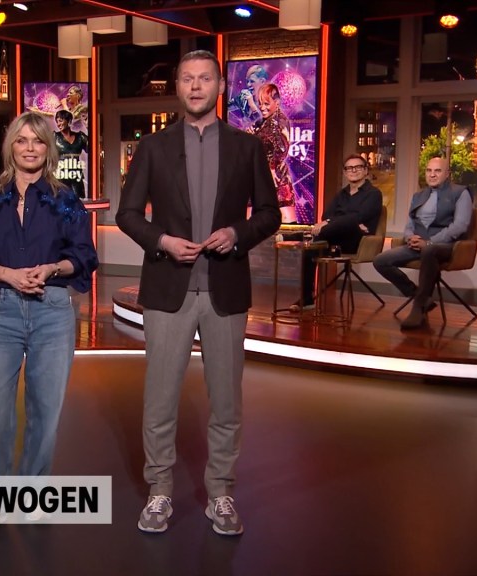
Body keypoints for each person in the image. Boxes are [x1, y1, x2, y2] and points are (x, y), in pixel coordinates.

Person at [116, 50, 280, 536]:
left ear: (220, 86)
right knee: (160, 400)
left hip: (225, 289)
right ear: (178, 87)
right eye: (186, 79)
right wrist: (162, 241)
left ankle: (221, 493)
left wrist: (237, 233)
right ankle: (160, 490)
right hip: (169, 288)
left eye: (204, 78)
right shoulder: (152, 147)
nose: (195, 86)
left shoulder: (247, 147)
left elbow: (269, 214)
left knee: (226, 402)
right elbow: (127, 214)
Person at [0, 111, 98, 537]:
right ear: (11, 147)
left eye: (38, 140)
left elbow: (84, 256)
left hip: (52, 310)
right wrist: (8, 274)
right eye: (22, 140)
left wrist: (52, 267)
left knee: (45, 410)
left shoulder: (65, 199)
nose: (30, 148)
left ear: (48, 149)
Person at [373, 156, 472, 329]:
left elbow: (460, 226)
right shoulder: (418, 196)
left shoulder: (460, 193)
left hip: (444, 246)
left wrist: (430, 242)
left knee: (429, 251)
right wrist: (409, 237)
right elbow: (410, 224)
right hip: (418, 244)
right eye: (429, 170)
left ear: (447, 174)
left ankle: (417, 308)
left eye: (437, 171)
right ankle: (421, 297)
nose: (432, 175)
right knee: (380, 260)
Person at [292, 154, 383, 310]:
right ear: (345, 172)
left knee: (350, 223)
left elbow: (360, 217)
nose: (353, 170)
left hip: (358, 241)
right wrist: (339, 221)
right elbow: (326, 215)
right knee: (310, 250)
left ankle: (302, 235)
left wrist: (333, 221)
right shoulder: (342, 194)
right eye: (349, 168)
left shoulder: (373, 194)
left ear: (366, 170)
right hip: (334, 239)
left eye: (358, 167)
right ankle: (307, 299)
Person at [251, 83, 297, 223]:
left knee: (286, 221)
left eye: (266, 103)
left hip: (275, 175)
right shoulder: (261, 123)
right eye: (260, 103)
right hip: (258, 177)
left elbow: (282, 150)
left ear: (276, 102)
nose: (262, 107)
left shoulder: (280, 121)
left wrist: (271, 168)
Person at [53, 109, 89, 198]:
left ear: (68, 121)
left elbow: (92, 149)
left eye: (61, 121)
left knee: (78, 202)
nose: (58, 124)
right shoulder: (54, 136)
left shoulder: (80, 137)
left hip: (76, 177)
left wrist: (88, 127)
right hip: (60, 179)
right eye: (57, 121)